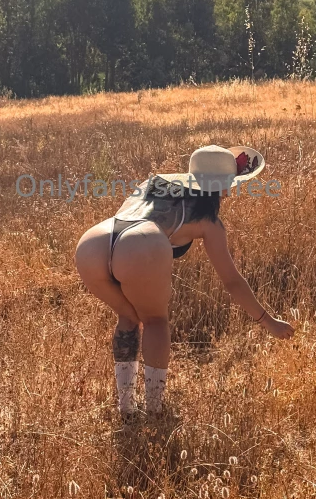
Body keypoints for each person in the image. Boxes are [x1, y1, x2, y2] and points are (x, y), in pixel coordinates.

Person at [75, 144, 295, 419]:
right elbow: (232, 281)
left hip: (93, 242)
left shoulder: (152, 184)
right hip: (140, 244)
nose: (231, 191)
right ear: (222, 186)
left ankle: (126, 410)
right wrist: (268, 321)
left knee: (128, 317)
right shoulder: (208, 220)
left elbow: (129, 223)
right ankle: (154, 411)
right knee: (155, 322)